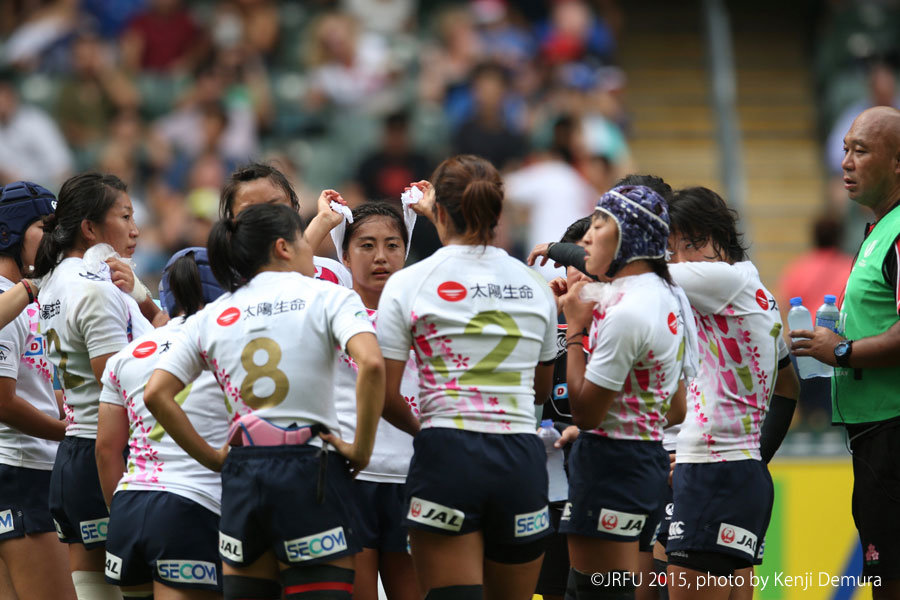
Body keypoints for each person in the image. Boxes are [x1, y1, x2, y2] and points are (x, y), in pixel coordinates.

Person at [143, 202, 385, 599]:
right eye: (303, 242)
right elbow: (372, 365)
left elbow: (156, 393)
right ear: (284, 248)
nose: (312, 250)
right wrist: (361, 450)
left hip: (243, 475)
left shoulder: (214, 312)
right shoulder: (328, 295)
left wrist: (212, 457)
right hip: (312, 468)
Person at [376, 154, 558, 599]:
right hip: (519, 456)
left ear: (438, 212)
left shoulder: (409, 282)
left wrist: (426, 430)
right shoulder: (535, 285)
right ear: (498, 214)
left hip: (447, 454)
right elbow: (539, 388)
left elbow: (383, 394)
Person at [556, 185, 691, 600]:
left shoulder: (627, 313)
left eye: (598, 225)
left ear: (627, 236)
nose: (589, 238)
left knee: (598, 593)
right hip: (643, 458)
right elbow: (678, 407)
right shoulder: (666, 294)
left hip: (610, 464)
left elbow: (586, 415)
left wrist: (576, 329)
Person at [664, 187, 798, 599]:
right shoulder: (754, 290)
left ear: (722, 237)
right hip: (731, 471)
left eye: (694, 244)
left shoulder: (722, 279)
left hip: (713, 474)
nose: (684, 260)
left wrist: (566, 250)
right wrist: (752, 455)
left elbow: (630, 272)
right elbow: (789, 386)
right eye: (673, 249)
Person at [792, 106, 900, 598]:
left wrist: (841, 350)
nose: (847, 163)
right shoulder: (880, 229)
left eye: (861, 151)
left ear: (897, 162)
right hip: (875, 430)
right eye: (845, 150)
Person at [33, 172, 154, 599]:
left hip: (74, 453)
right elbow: (114, 376)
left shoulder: (51, 282)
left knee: (93, 587)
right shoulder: (94, 289)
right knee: (140, 588)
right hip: (111, 449)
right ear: (89, 227)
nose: (135, 229)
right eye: (124, 216)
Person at [95, 248, 227, 599]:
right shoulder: (224, 342)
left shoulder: (128, 354)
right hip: (192, 507)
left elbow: (106, 450)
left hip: (128, 508)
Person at [332, 202, 419, 600]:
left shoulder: (426, 311)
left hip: (412, 477)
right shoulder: (328, 308)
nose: (381, 257)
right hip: (352, 478)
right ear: (344, 255)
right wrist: (323, 222)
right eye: (366, 245)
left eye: (393, 245)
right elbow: (288, 274)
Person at [0, 181, 75, 599]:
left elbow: (39, 386)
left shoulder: (29, 302)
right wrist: (66, 432)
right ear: (9, 233)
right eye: (45, 227)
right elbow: (3, 402)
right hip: (22, 475)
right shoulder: (9, 300)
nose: (54, 239)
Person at [218, 162, 353, 287]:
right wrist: (322, 222)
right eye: (250, 210)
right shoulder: (222, 276)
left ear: (295, 208)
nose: (264, 217)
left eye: (274, 206)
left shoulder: (333, 273)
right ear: (231, 221)